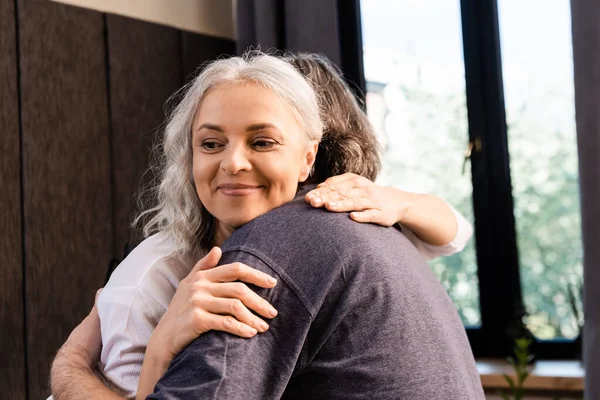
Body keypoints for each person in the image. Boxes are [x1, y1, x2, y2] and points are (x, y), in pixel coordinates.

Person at [50, 52, 478, 399]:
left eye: (263, 141)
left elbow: (455, 231)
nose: (234, 163)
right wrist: (83, 366)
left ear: (309, 157)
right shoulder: (150, 280)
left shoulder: (330, 229)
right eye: (212, 143)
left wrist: (395, 200)